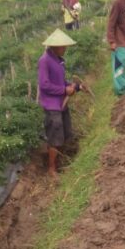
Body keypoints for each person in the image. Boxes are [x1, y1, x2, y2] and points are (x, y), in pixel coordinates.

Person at [37, 29, 82, 177]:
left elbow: (61, 82)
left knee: (66, 133)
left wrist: (74, 86)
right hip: (52, 106)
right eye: (63, 46)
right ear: (55, 46)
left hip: (61, 103)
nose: (65, 49)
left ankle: (60, 162)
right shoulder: (44, 61)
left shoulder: (59, 60)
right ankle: (51, 169)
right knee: (55, 137)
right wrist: (64, 90)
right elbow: (44, 85)